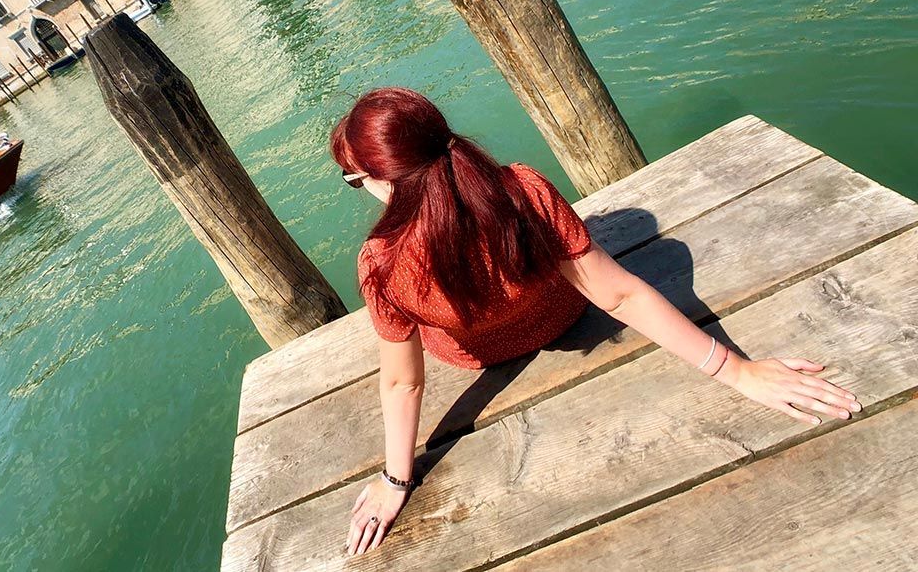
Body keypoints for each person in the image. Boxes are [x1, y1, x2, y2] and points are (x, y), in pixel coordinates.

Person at [331, 88, 860, 556]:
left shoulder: (380, 261)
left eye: (356, 182)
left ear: (382, 178)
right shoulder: (523, 190)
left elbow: (404, 381)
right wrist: (737, 371)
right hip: (563, 315)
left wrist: (396, 479)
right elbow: (621, 295)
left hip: (475, 356)